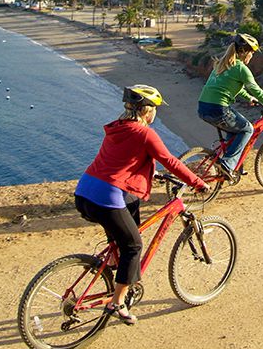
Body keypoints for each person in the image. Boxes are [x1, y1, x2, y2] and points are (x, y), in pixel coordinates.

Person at [74, 84, 211, 325]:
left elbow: (119, 161)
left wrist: (150, 173)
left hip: (85, 192)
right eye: (155, 109)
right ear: (147, 110)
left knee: (127, 222)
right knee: (134, 245)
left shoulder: (117, 128)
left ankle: (115, 262)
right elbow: (170, 161)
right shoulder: (145, 133)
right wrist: (198, 182)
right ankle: (118, 302)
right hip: (107, 196)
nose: (156, 113)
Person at [197, 33, 263, 180]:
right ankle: (227, 165)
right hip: (219, 110)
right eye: (251, 52)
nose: (252, 56)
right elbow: (257, 90)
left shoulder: (222, 64)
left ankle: (231, 167)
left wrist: (248, 97)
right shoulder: (241, 69)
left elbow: (232, 87)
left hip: (203, 107)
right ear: (244, 52)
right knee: (247, 129)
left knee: (235, 133)